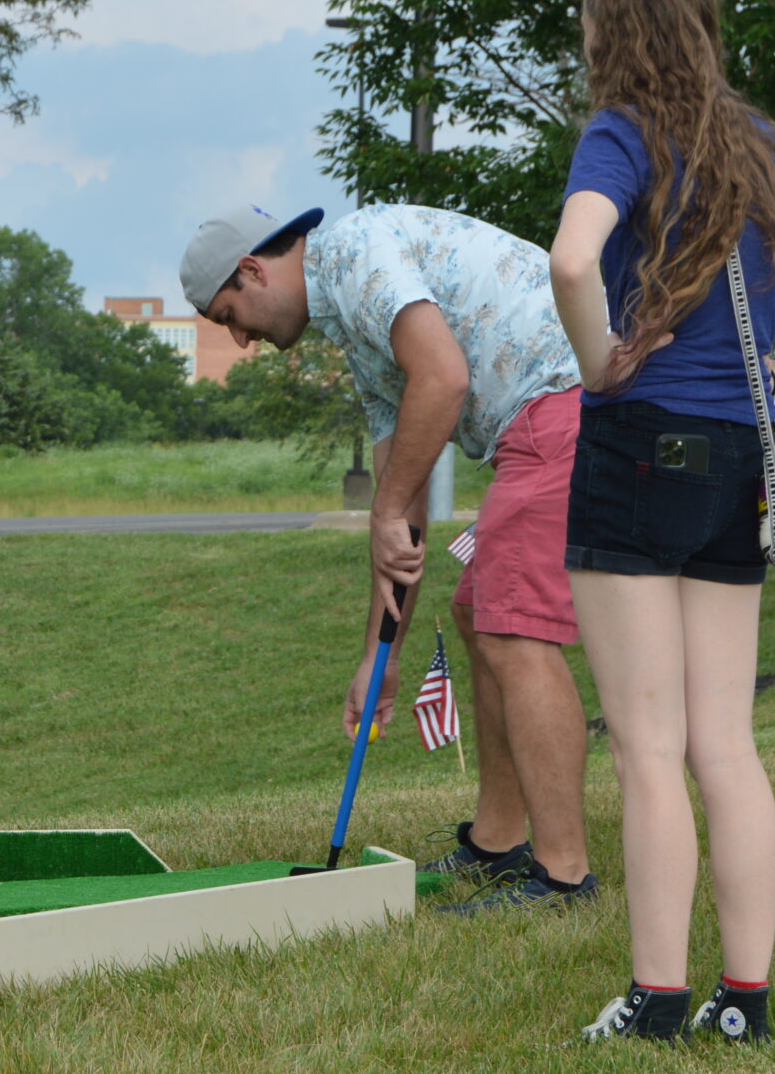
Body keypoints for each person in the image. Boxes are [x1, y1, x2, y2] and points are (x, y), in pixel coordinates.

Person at [550, 0, 775, 1042]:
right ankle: (742, 998)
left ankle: (654, 997)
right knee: (724, 743)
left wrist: (601, 361)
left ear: (610, 27)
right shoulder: (754, 149)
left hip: (638, 443)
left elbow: (568, 259)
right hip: (742, 451)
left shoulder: (620, 136)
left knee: (647, 746)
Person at [184, 202, 599, 915]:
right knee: (478, 612)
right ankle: (498, 844)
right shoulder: (358, 327)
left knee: (512, 625)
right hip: (541, 415)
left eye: (229, 315)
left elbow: (444, 379)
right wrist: (382, 660)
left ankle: (564, 877)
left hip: (565, 399)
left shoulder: (352, 252)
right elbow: (400, 507)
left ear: (253, 269)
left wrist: (385, 511)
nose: (240, 339)